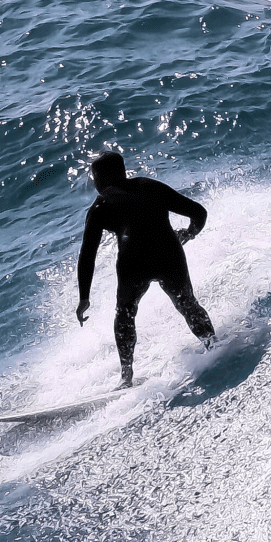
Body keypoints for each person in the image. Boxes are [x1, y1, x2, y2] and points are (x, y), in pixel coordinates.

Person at [75, 152, 215, 387]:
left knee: (125, 314)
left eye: (94, 176)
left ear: (100, 177)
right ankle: (214, 347)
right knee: (187, 303)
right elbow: (199, 212)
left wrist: (84, 298)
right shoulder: (148, 186)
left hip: (134, 264)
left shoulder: (101, 206)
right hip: (168, 254)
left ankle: (126, 376)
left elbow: (88, 254)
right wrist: (188, 234)